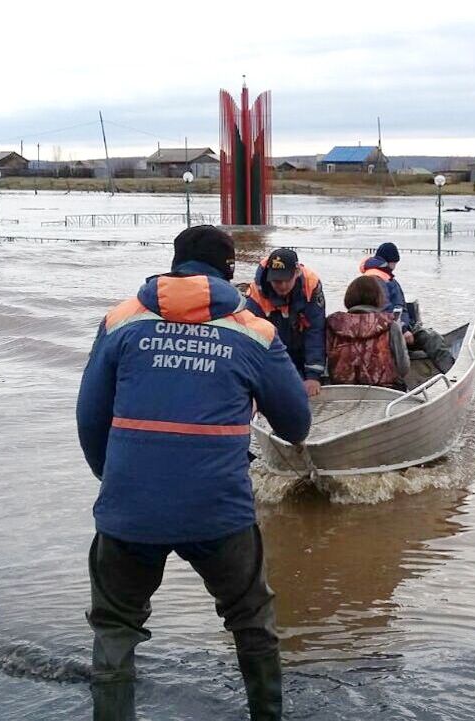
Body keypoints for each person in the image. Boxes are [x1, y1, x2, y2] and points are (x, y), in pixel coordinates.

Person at [76, 225, 310, 721]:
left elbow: (89, 419)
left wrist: (117, 482)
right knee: (251, 620)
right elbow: (296, 425)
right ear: (229, 270)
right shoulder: (255, 331)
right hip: (218, 509)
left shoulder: (120, 322)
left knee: (116, 628)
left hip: (129, 509)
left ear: (174, 262)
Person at [358, 241, 456, 373]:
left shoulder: (371, 275)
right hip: (392, 328)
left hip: (380, 327)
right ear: (391, 260)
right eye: (395, 263)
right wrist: (403, 329)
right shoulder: (380, 278)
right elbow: (385, 308)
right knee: (433, 338)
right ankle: (453, 374)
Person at [246, 248, 326, 397]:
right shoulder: (255, 295)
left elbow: (315, 330)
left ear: (297, 272)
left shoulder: (311, 285)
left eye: (286, 280)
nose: (282, 286)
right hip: (273, 350)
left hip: (299, 342)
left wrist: (313, 376)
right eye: (276, 281)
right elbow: (252, 341)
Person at [326, 275, 410, 388]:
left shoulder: (332, 324)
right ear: (379, 298)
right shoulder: (390, 325)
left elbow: (324, 360)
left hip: (341, 390)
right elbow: (403, 367)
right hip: (385, 390)